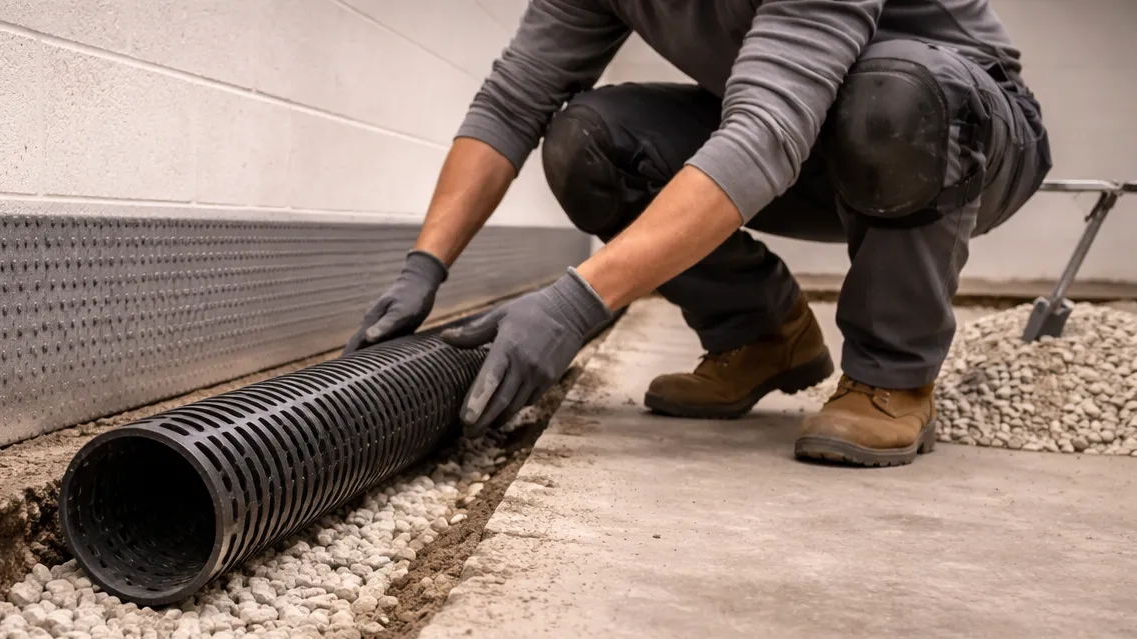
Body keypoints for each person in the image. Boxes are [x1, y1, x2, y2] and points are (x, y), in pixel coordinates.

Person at [344, 0, 1051, 467]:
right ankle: (761, 335)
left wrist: (573, 305)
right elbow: (512, 100)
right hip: (818, 141)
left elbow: (767, 130)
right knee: (589, 144)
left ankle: (892, 377)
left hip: (959, 135)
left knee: (894, 96)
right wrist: (424, 267)